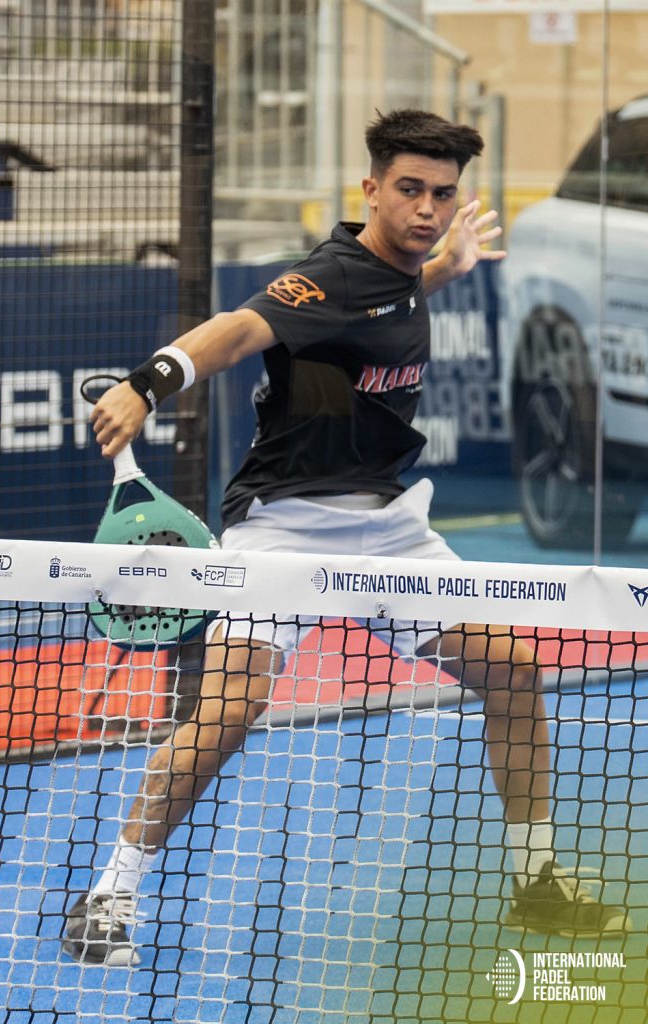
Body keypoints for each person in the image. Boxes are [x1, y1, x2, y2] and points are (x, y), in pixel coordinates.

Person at [62, 109, 632, 966]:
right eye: (409, 190)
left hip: (391, 533)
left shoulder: (401, 273)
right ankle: (110, 893)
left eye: (442, 194)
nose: (427, 208)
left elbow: (390, 299)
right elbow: (236, 329)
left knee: (512, 669)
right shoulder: (326, 275)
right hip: (285, 528)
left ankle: (536, 884)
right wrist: (146, 385)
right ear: (370, 189)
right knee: (227, 711)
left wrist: (445, 268)